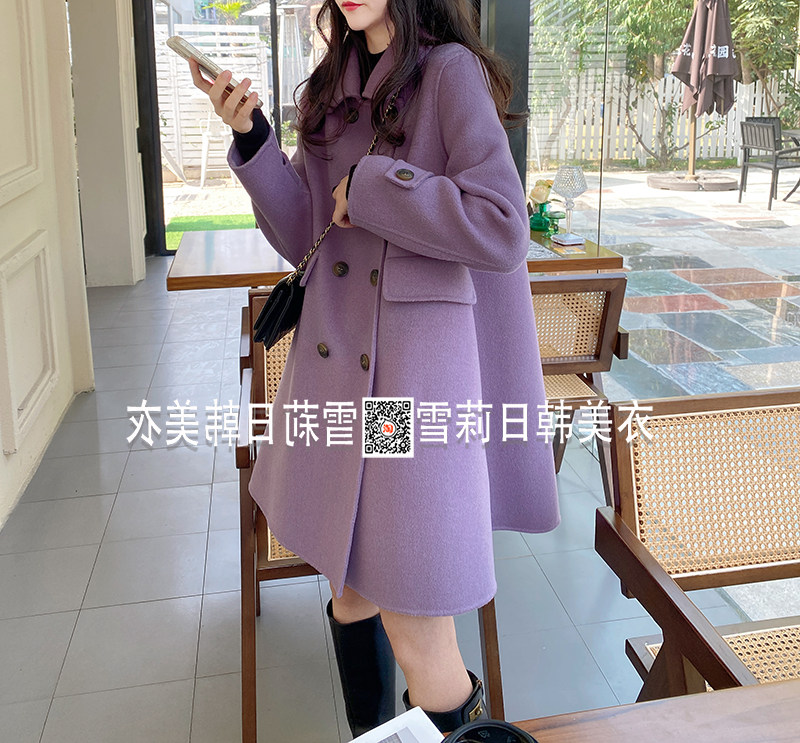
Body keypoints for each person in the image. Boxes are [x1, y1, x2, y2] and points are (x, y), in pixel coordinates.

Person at [190, 0, 559, 736]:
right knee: (351, 587)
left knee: (419, 626)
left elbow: (501, 225)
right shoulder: (332, 88)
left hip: (405, 394)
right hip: (340, 377)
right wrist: (252, 137)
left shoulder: (449, 74)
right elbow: (307, 233)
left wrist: (374, 187)